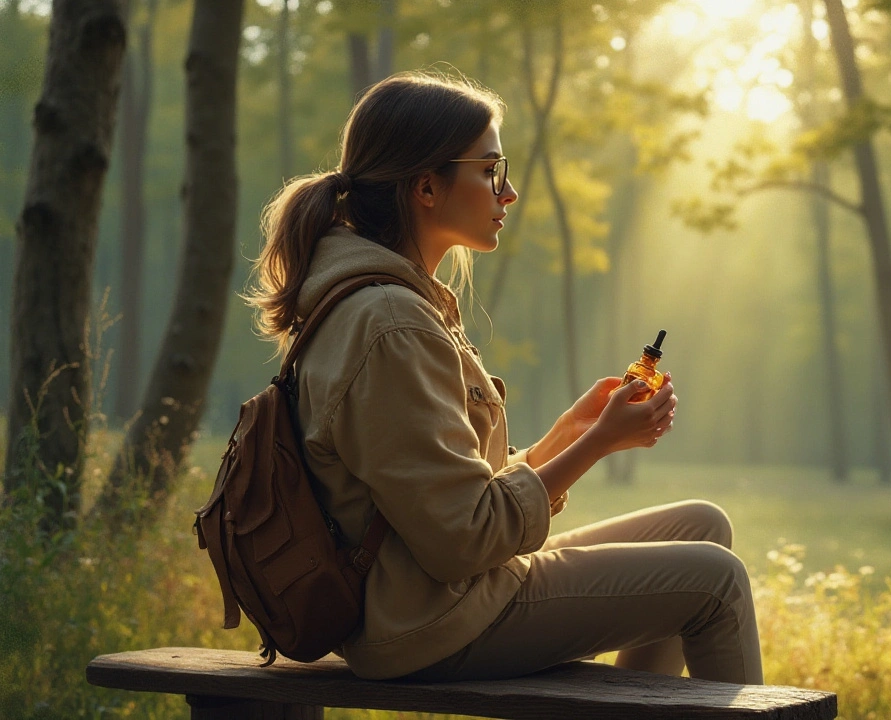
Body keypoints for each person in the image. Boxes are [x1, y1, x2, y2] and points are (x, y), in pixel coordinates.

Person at [245, 72, 762, 685]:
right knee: (716, 581)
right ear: (427, 186)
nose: (508, 192)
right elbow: (463, 540)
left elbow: (444, 493)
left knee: (702, 525)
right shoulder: (389, 323)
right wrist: (598, 445)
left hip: (443, 592)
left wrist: (569, 433)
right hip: (433, 621)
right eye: (490, 170)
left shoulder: (388, 303)